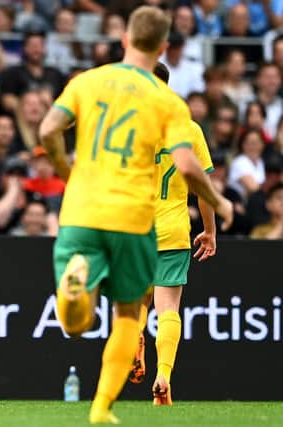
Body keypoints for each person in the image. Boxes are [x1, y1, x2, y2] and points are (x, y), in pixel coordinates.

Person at [38, 6, 233, 424]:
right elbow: (188, 168)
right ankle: (109, 403)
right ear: (164, 45)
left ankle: (75, 293)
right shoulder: (171, 108)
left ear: (124, 39)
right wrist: (219, 207)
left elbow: (47, 131)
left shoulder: (87, 83)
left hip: (84, 211)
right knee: (146, 312)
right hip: (144, 221)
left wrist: (66, 172)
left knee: (83, 321)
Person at [128, 63, 218, 407]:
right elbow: (203, 187)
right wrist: (208, 231)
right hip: (173, 230)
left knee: (137, 302)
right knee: (168, 308)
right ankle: (163, 374)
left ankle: (135, 332)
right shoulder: (188, 129)